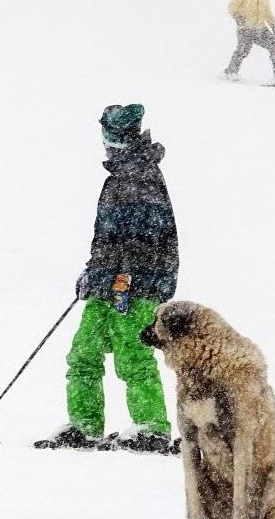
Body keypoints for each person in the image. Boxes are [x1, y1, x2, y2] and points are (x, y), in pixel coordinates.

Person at [36, 104, 179, 453]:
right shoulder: (118, 178)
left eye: (107, 136)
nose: (104, 143)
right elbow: (108, 240)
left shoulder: (141, 177)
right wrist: (94, 271)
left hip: (136, 286)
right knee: (83, 352)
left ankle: (152, 429)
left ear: (118, 138)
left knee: (133, 356)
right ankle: (84, 427)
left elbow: (143, 242)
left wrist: (123, 278)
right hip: (109, 283)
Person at [222, 0, 275, 85]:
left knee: (274, 47)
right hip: (245, 28)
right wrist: (237, 16)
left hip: (261, 28)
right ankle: (231, 72)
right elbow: (232, 7)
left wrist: (273, 25)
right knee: (243, 51)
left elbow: (267, 11)